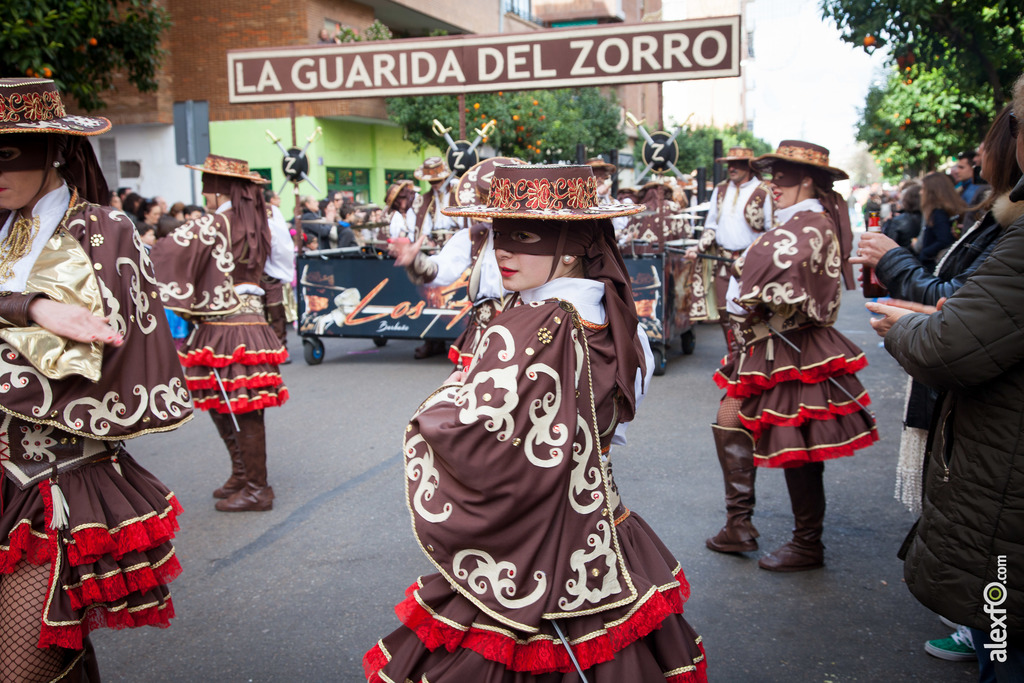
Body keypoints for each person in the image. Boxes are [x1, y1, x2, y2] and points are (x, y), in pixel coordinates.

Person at [364, 163, 707, 682]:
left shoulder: (533, 323)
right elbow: (614, 422)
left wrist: (431, 416)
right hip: (602, 525)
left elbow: (469, 430)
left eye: (522, 236)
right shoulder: (619, 320)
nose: (501, 251)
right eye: (497, 234)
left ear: (570, 242)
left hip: (527, 538)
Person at [0, 77, 191, 681]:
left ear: (53, 149)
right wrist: (29, 308)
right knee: (55, 649)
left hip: (49, 479)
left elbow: (93, 358)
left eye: (7, 150)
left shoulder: (104, 230)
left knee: (21, 666)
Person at [852, 105, 1023, 664]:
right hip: (993, 440)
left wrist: (906, 300)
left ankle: (986, 636)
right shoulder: (999, 220)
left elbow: (956, 334)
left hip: (1003, 457)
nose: (976, 158)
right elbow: (971, 307)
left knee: (1001, 607)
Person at [706, 140, 878, 570]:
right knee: (731, 416)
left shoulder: (810, 224)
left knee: (796, 441)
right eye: (771, 175)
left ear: (806, 180)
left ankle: (807, 544)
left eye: (782, 177)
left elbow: (771, 278)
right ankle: (738, 526)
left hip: (795, 345)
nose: (772, 185)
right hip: (766, 344)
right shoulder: (799, 222)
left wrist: (748, 284)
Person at [151, 154, 288, 512]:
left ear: (216, 189)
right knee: (225, 403)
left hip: (227, 324)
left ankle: (258, 488)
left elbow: (167, 250)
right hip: (244, 321)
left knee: (240, 407)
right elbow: (281, 269)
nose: (203, 193)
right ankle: (243, 474)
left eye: (206, 186)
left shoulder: (215, 223)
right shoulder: (262, 222)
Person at [393, 157, 526, 366]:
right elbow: (441, 269)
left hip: (527, 327)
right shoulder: (474, 235)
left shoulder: (539, 236)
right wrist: (415, 260)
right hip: (484, 328)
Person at [686, 147, 773, 357]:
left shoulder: (763, 191)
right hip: (723, 261)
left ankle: (757, 357)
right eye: (729, 164)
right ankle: (735, 357)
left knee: (753, 311)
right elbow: (711, 225)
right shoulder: (721, 189)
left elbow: (772, 231)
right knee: (725, 313)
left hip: (752, 262)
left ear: (749, 166)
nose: (731, 168)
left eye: (737, 164)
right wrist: (698, 248)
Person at [262, 188, 297, 363]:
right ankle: (260, 350)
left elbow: (281, 240)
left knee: (275, 311)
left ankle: (280, 348)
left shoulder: (270, 211)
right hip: (249, 274)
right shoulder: (237, 210)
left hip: (270, 271)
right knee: (255, 315)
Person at [917, 172, 968, 272]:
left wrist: (925, 253)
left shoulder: (938, 213)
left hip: (935, 267)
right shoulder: (949, 210)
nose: (921, 192)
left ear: (932, 191)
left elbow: (944, 240)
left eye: (923, 189)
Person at [413, 157, 457, 241]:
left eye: (437, 181)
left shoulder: (456, 193)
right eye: (431, 181)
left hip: (455, 238)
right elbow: (424, 225)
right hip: (435, 240)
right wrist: (428, 241)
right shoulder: (426, 199)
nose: (434, 185)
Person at [881, 183, 923, 250]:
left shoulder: (899, 220)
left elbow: (888, 244)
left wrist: (888, 222)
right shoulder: (928, 217)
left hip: (903, 255)